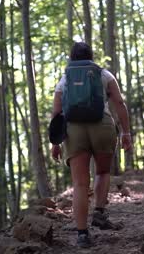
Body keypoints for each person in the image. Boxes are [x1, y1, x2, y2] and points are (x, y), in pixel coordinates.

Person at [51, 42, 132, 248]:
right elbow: (119, 104)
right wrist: (126, 132)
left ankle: (82, 234)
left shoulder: (65, 79)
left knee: (79, 184)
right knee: (103, 172)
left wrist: (55, 142)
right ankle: (99, 213)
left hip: (73, 130)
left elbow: (57, 113)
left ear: (71, 57)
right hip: (102, 125)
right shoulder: (104, 75)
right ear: (91, 56)